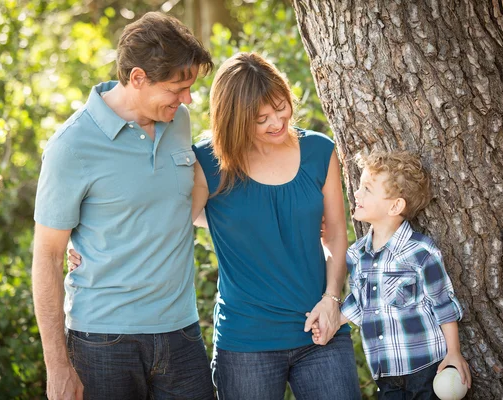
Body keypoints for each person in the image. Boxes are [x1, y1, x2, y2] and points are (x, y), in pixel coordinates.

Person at [69, 52, 361, 399]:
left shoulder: (319, 150)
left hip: (321, 330)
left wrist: (332, 298)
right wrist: (86, 245)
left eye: (281, 107)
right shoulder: (207, 164)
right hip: (246, 343)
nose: (277, 122)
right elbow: (163, 219)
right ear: (235, 120)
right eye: (260, 118)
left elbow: (338, 234)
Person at [32, 12, 214, 400]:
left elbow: (190, 203)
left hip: (181, 333)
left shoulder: (178, 121)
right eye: (177, 88)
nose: (188, 99)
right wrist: (58, 366)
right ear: (137, 78)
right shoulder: (71, 146)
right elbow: (47, 256)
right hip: (102, 343)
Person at [329, 150, 472, 399]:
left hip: (425, 368)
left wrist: (454, 353)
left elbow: (443, 303)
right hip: (385, 374)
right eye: (360, 187)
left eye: (367, 189)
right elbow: (360, 303)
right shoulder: (357, 254)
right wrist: (332, 321)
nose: (357, 193)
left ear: (395, 205)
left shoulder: (420, 251)